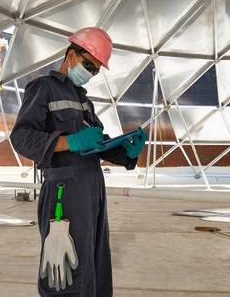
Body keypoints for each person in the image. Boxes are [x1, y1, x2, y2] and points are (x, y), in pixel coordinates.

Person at [10, 27, 147, 296]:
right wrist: (70, 142)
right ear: (71, 55)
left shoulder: (83, 100)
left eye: (95, 70)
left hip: (92, 189)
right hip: (64, 190)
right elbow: (22, 137)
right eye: (88, 65)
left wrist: (125, 152)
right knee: (68, 271)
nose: (90, 73)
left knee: (95, 261)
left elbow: (96, 144)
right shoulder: (43, 89)